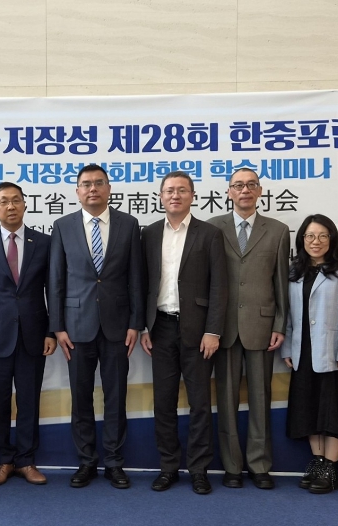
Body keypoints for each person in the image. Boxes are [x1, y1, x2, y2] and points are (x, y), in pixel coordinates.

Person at [48, 163, 145, 489]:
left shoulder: (128, 224)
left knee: (116, 397)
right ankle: (86, 461)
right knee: (81, 398)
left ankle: (115, 462)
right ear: (77, 191)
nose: (93, 189)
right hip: (76, 328)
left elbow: (136, 278)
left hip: (118, 327)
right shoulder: (63, 226)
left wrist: (136, 323)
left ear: (109, 189)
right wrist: (58, 326)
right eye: (86, 184)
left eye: (99, 183)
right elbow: (56, 279)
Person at [140, 171, 227, 495]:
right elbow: (142, 283)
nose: (175, 195)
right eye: (169, 191)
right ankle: (168, 467)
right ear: (161, 197)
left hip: (198, 330)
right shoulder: (149, 233)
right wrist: (144, 325)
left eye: (181, 190)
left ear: (192, 196)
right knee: (163, 403)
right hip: (160, 328)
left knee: (200, 404)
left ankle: (199, 470)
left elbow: (219, 285)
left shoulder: (210, 234)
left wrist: (213, 330)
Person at [0, 183, 56, 486]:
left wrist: (51, 331)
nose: (10, 206)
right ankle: (3, 461)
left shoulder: (43, 242)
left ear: (25, 205)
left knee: (29, 400)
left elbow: (53, 290)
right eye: (3, 201)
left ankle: (27, 460)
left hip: (34, 334)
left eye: (16, 200)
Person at [207, 168, 289, 489]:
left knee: (260, 399)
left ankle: (259, 465)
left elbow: (280, 282)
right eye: (238, 185)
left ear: (260, 191)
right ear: (229, 192)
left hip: (262, 325)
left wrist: (280, 323)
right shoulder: (213, 227)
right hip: (223, 327)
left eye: (250, 185)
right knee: (226, 401)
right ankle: (231, 466)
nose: (244, 190)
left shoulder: (278, 230)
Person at [281, 214, 338, 494]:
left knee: (332, 411)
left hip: (334, 353)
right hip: (303, 351)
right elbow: (289, 314)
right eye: (310, 236)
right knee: (309, 409)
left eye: (323, 236)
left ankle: (330, 468)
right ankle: (317, 462)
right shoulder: (294, 270)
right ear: (302, 239)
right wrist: (288, 348)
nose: (316, 241)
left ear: (332, 239)